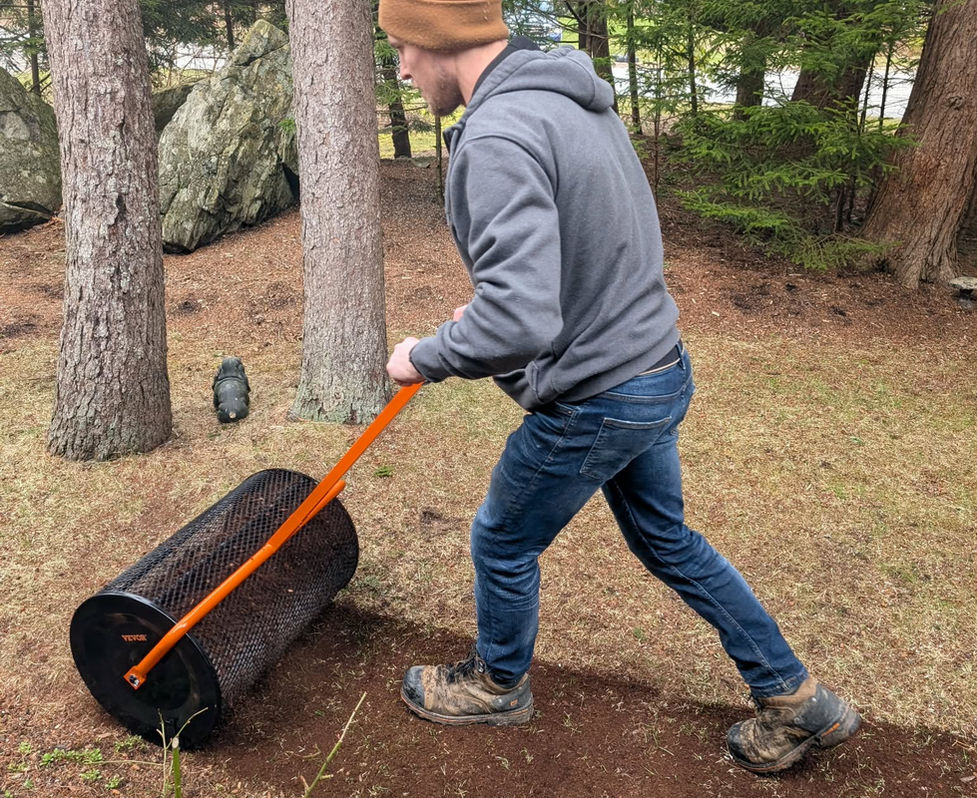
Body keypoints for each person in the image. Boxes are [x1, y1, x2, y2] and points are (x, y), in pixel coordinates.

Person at [379, 0, 860, 774]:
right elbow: (594, 243)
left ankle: (497, 684)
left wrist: (424, 355)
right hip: (657, 366)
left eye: (402, 46)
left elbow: (520, 320)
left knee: (502, 540)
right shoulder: (569, 100)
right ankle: (799, 700)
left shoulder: (499, 132)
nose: (400, 66)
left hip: (598, 396)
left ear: (440, 42)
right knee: (667, 541)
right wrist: (512, 310)